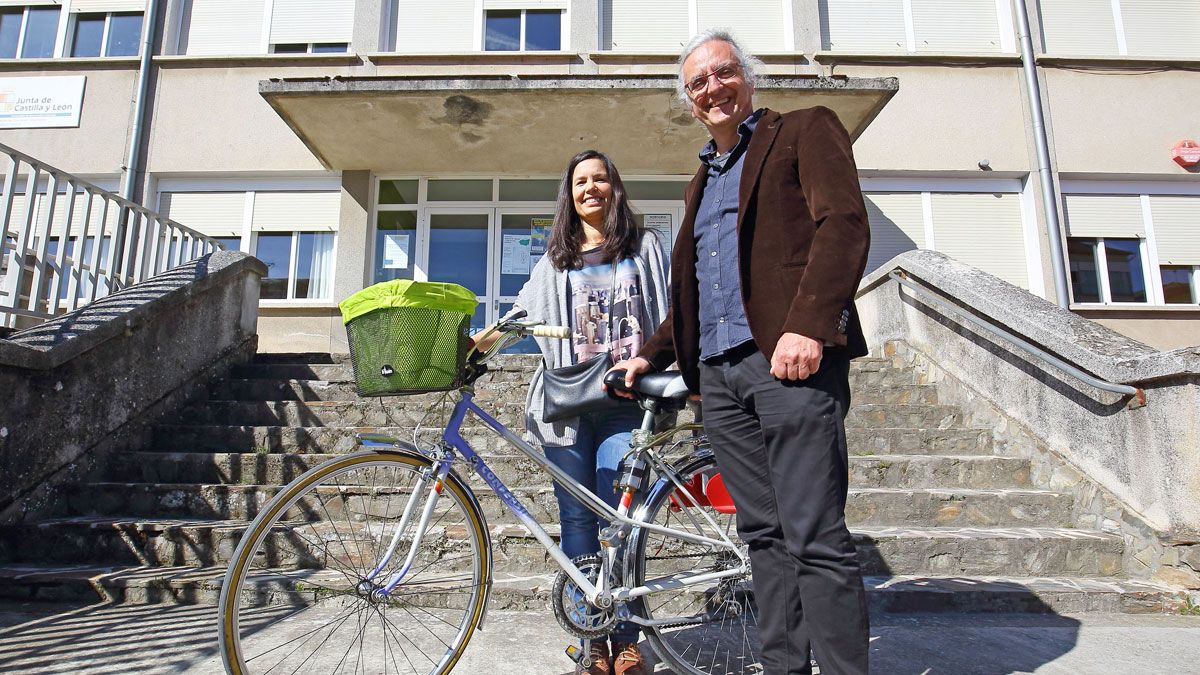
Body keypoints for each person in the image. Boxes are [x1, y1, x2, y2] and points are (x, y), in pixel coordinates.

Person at [610, 30, 872, 675]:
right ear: (691, 103)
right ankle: (786, 667)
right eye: (698, 83)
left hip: (789, 362)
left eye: (723, 73)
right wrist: (653, 354)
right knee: (764, 537)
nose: (712, 89)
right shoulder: (702, 178)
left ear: (748, 79)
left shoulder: (804, 129)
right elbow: (701, 284)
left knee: (814, 536)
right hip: (720, 379)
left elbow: (842, 224)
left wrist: (809, 325)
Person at [477, 150, 669, 675]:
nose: (591, 188)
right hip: (567, 406)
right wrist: (477, 345)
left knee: (621, 520)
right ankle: (594, 644)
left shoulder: (645, 247)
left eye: (600, 179)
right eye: (581, 181)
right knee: (577, 522)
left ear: (615, 188)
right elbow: (519, 315)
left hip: (626, 403)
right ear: (570, 193)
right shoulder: (555, 260)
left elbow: (674, 308)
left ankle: (628, 638)